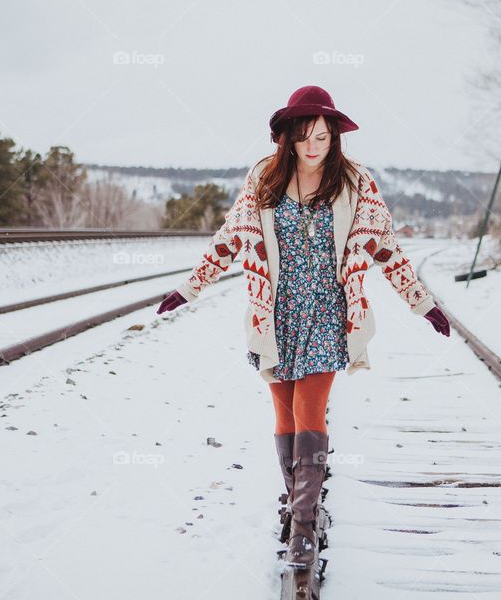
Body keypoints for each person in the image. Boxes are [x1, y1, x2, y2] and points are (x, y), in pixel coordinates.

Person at [157, 85, 450, 568]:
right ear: (288, 139)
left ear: (335, 138)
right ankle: (297, 507)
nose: (314, 146)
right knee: (286, 415)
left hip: (331, 315)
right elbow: (230, 240)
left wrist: (422, 302)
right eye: (305, 137)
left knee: (309, 407)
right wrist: (190, 287)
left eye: (323, 136)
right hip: (274, 316)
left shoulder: (357, 184)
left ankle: (304, 528)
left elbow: (386, 249)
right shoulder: (264, 179)